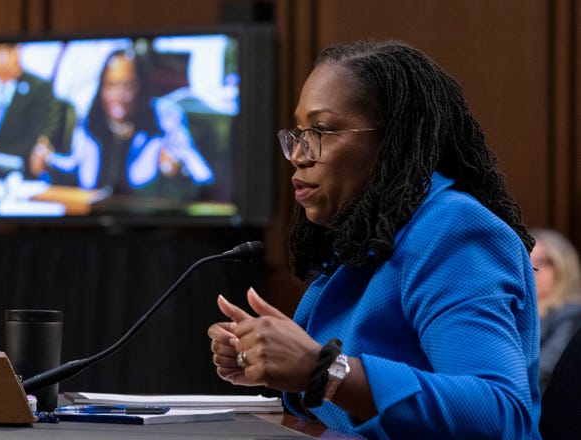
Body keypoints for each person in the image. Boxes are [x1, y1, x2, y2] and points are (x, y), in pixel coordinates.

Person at [208, 40, 541, 439]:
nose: (298, 155)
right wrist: (277, 366)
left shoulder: (453, 229)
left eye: (322, 130)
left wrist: (323, 371)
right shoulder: (367, 232)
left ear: (392, 141)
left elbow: (498, 413)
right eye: (298, 133)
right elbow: (344, 401)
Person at [30, 48, 159, 193]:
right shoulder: (92, 126)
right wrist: (48, 160)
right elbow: (73, 168)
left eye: (127, 85)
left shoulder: (158, 130)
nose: (118, 95)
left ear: (140, 87)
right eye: (111, 85)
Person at [0, 43, 68, 177]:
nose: (0, 56)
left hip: (18, 171)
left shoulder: (39, 88)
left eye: (7, 50)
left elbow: (41, 136)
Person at [530, 228, 581, 393]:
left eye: (541, 262)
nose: (532, 270)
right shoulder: (516, 311)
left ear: (562, 266)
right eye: (526, 261)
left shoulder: (570, 314)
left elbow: (546, 369)